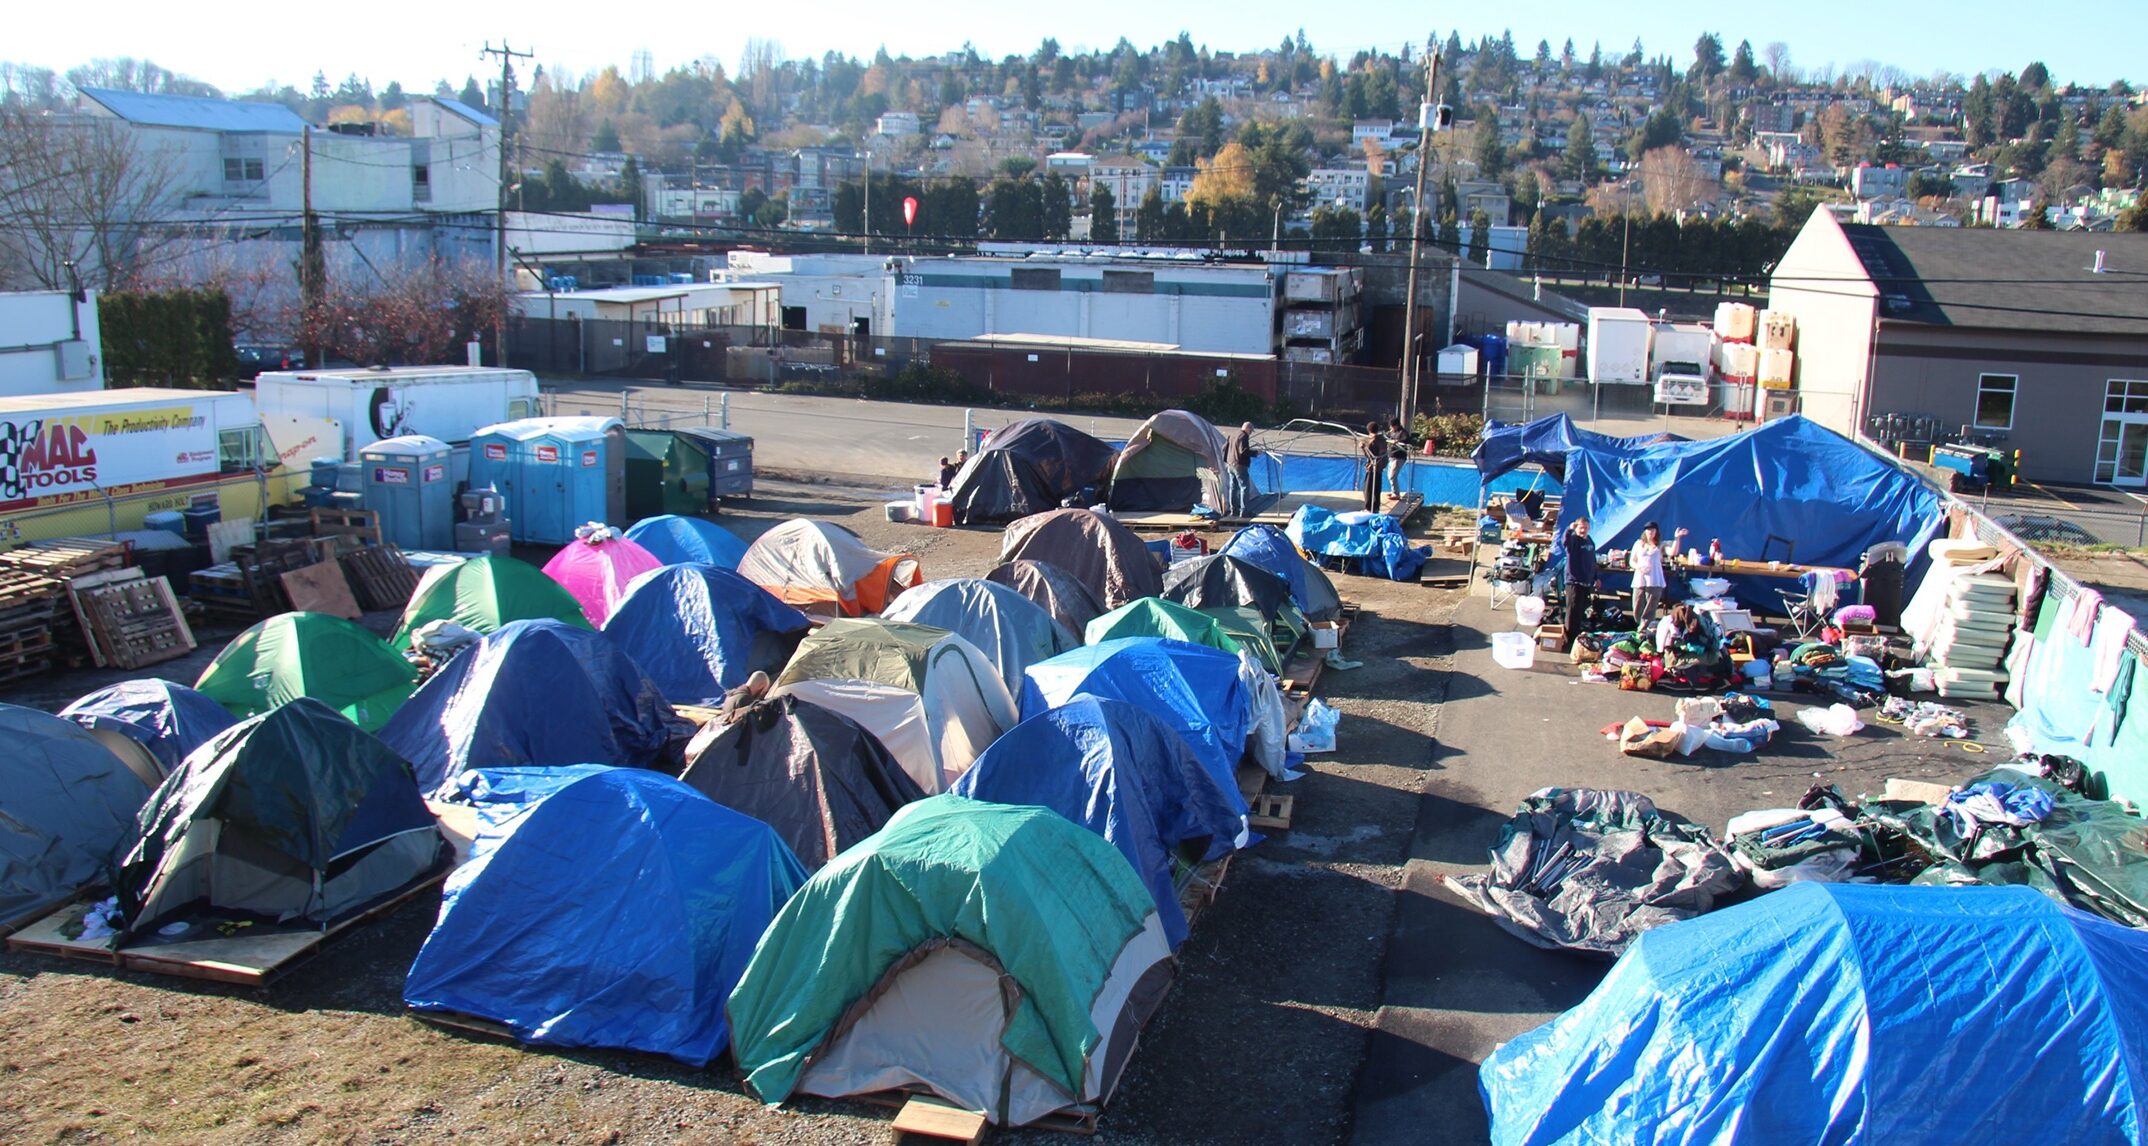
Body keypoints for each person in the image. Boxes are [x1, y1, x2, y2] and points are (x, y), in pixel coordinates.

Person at [1629, 520, 1687, 623]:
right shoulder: (1638, 544)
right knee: (1637, 603)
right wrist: (1638, 567)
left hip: (1654, 579)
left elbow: (1673, 552)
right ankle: (1638, 623)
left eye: (1652, 530)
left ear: (1656, 532)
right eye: (1648, 530)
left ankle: (1645, 627)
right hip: (1640, 578)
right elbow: (1632, 561)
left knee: (1651, 605)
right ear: (1644, 532)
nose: (1650, 532)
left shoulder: (1660, 545)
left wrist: (1677, 538)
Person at [1561, 518, 1596, 648]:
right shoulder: (1573, 540)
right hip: (1573, 581)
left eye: (1586, 527)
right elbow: (1564, 542)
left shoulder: (1590, 541)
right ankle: (1569, 639)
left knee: (1581, 611)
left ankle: (1576, 637)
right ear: (1576, 527)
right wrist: (1569, 529)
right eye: (1581, 527)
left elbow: (1592, 560)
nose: (1583, 530)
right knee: (1572, 611)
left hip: (1586, 581)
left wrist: (1595, 577)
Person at [1224, 421, 1261, 517]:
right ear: (1247, 429)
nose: (1251, 433)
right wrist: (1256, 453)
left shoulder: (1232, 434)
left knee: (1233, 487)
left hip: (1230, 464)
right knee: (1244, 487)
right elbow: (1243, 452)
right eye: (1251, 431)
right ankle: (1244, 512)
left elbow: (1224, 448)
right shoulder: (1244, 436)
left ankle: (1233, 510)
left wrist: (1227, 460)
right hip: (1239, 465)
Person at [1361, 420, 1388, 512]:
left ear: (1369, 430)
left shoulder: (1373, 441)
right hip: (1380, 467)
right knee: (1377, 488)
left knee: (1368, 488)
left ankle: (1368, 508)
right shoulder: (1383, 440)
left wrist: (1363, 448)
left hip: (1373, 467)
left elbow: (1370, 455)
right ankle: (1376, 507)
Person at [1386, 419, 1411, 500]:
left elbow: (1406, 441)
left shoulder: (1403, 433)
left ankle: (1396, 494)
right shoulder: (1391, 432)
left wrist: (1397, 441)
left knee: (1392, 476)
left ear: (1396, 425)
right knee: (1389, 475)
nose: (1391, 428)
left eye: (1392, 426)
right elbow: (1386, 437)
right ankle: (1393, 491)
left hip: (1399, 457)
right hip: (1391, 456)